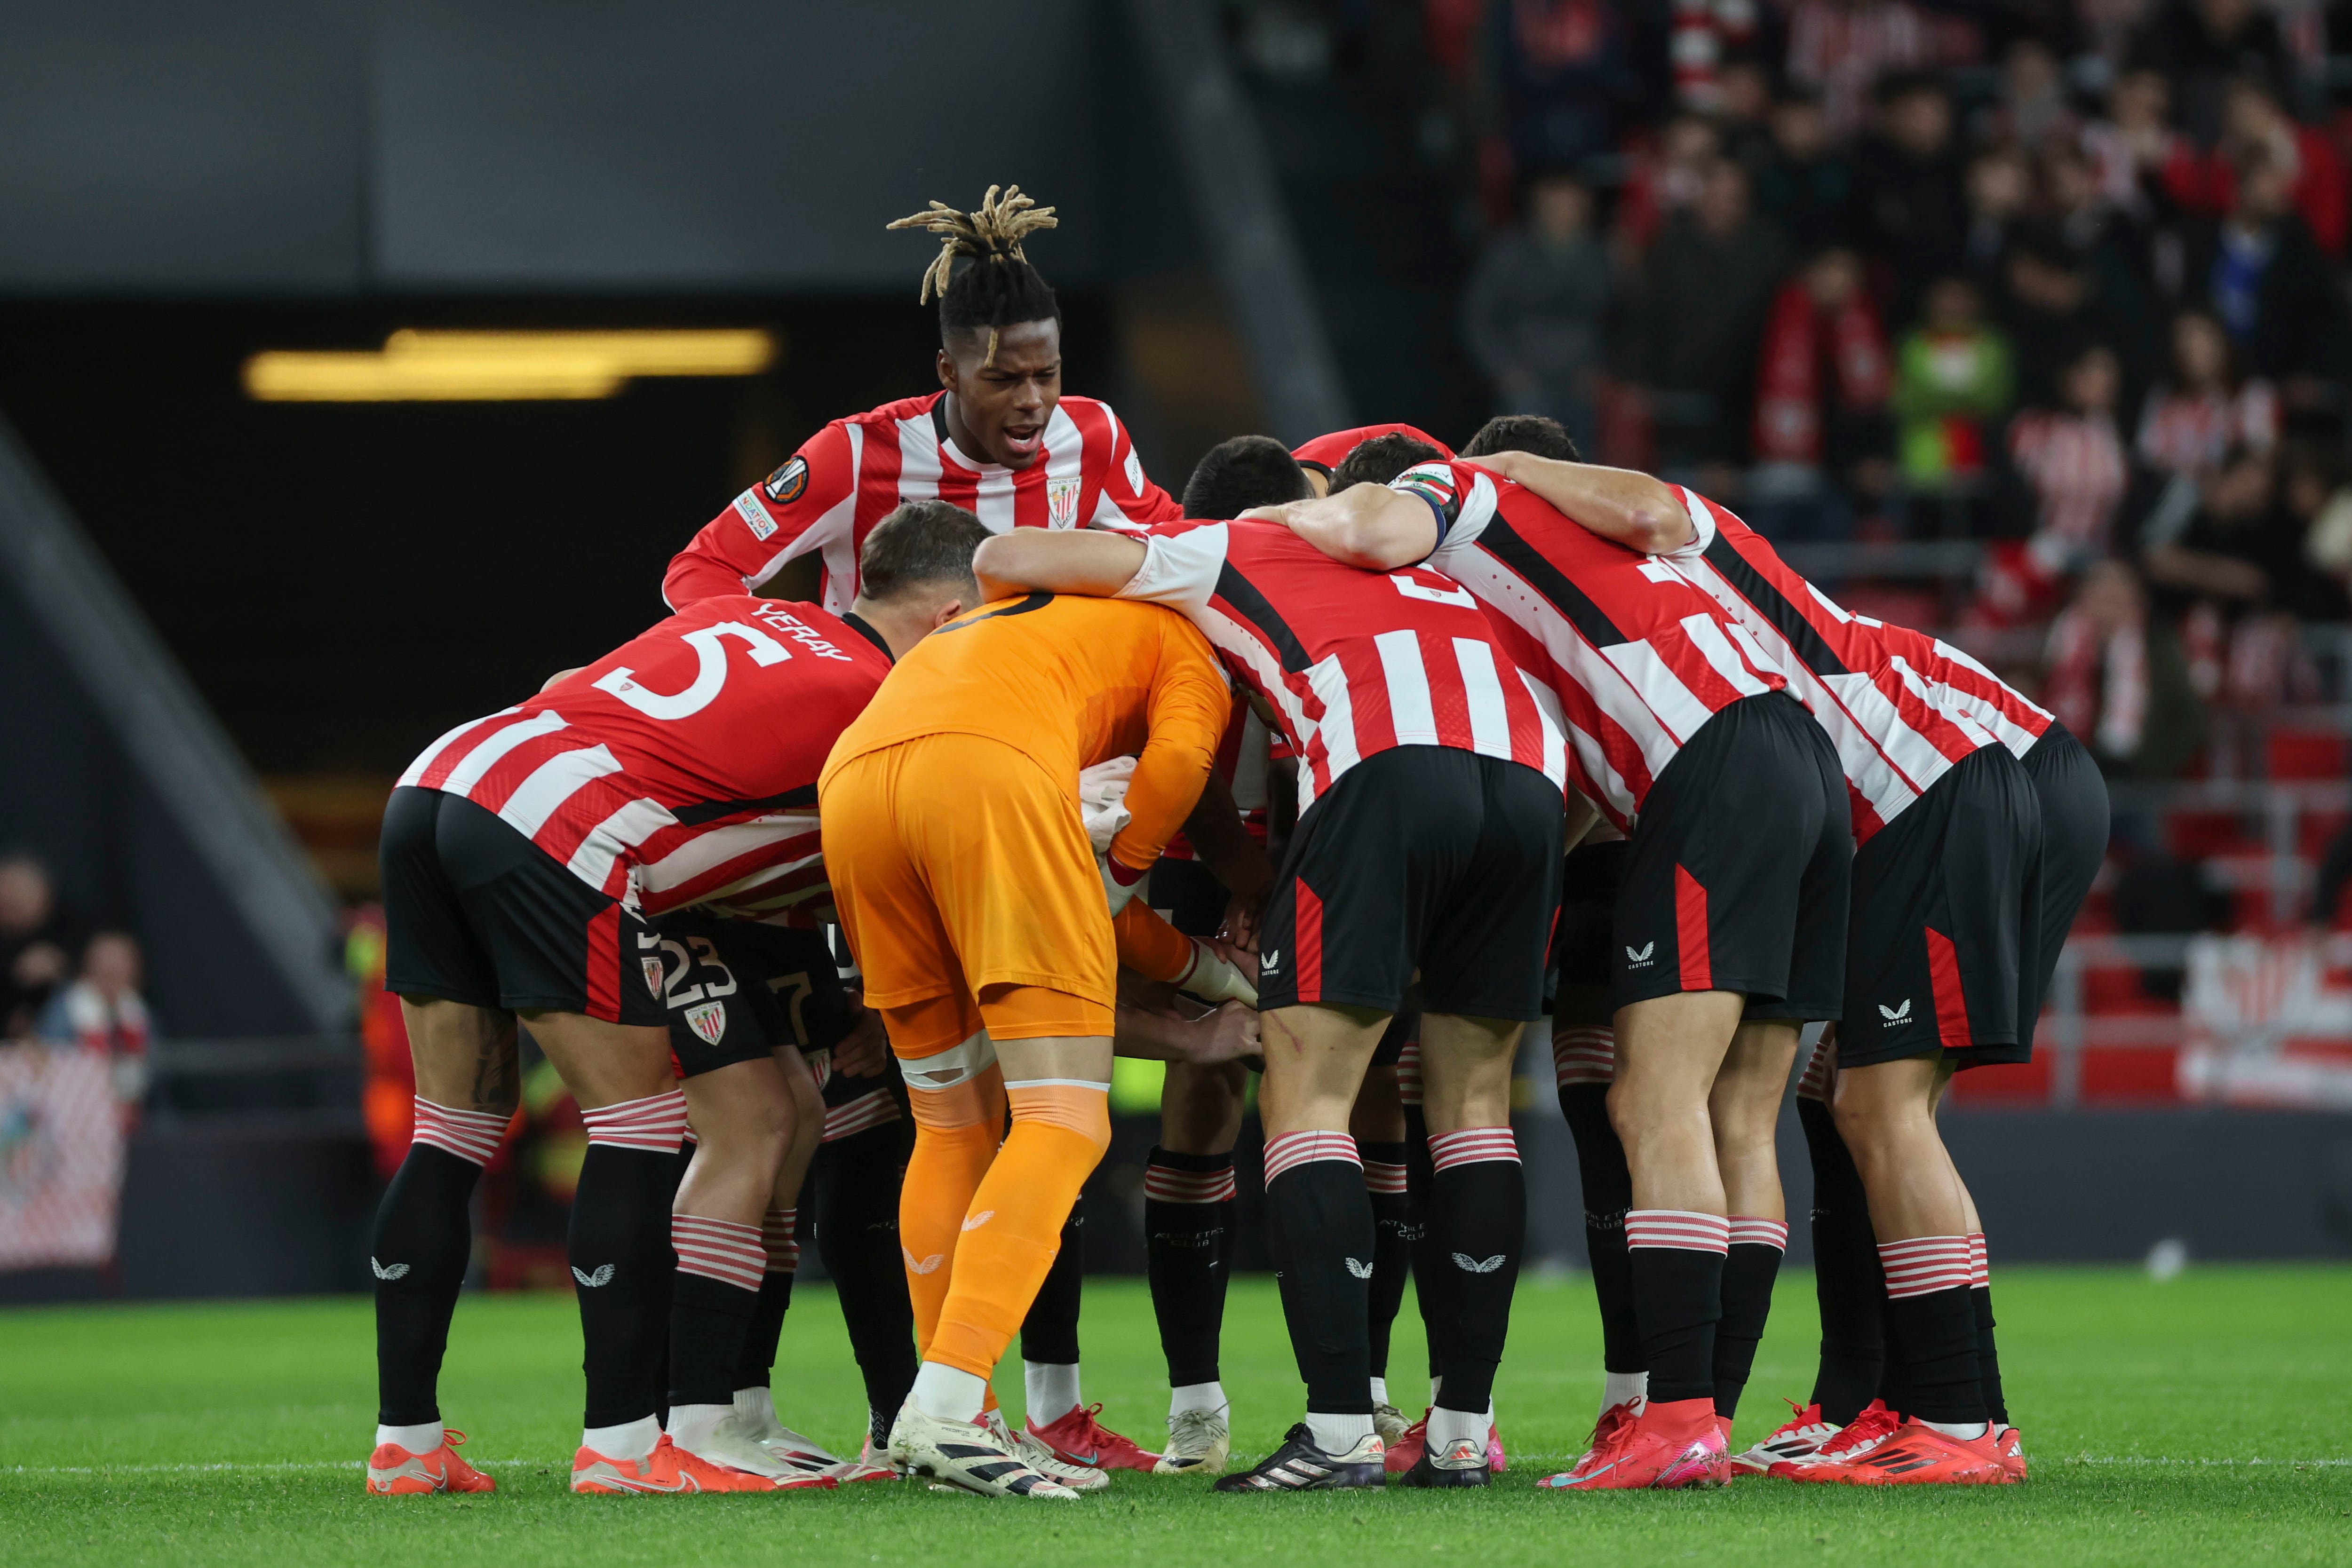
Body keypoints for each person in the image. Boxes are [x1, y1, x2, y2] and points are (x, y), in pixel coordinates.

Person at [973, 437, 1570, 1492]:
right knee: (1474, 1106)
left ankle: (1338, 1432)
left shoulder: (1228, 545)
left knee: (1308, 1099)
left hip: (1383, 772)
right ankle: (1461, 1434)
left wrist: (1160, 544)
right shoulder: (1422, 565)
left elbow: (1006, 555)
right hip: (1528, 782)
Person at [1271, 420, 1851, 1491]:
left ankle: (1668, 1416)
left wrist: (1248, 535)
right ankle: (1693, 1415)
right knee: (1734, 1116)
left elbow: (1366, 527)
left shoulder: (1464, 509)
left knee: (1649, 1104)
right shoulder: (1624, 559)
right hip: (1808, 768)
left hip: (1706, 773)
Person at [367, 501, 989, 1497]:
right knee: (640, 1125)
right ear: (952, 614)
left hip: (446, 772)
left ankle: (407, 1441)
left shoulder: (747, 612)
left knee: (453, 1129)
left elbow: (568, 689)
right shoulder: (886, 697)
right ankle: (626, 1447)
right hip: (564, 827)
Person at [1478, 453, 2038, 1486]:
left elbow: (1650, 508)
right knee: (1797, 1108)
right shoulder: (1676, 613)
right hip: (1870, 784)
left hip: (1904, 783)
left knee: (1757, 1104)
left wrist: (1507, 464)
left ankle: (1898, 1417)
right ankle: (1929, 1412)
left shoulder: (1630, 550)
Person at [818, 560, 1231, 1500]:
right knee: (1066, 1118)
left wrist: (1211, 970)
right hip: (980, 773)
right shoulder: (1188, 645)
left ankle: (943, 1407)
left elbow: (1068, 874)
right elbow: (1174, 770)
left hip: (853, 782)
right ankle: (951, 1403)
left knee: (951, 1122)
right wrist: (1124, 867)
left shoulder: (1026, 630)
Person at [1748, 618, 2109, 1485]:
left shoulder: (1711, 622)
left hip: (1996, 786)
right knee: (1834, 1092)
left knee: (1878, 1103)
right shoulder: (1742, 612)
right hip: (2000, 779)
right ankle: (1869, 1403)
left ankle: (1959, 1412)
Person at [661, 183, 1181, 615]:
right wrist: (782, 654)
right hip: (875, 728)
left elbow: (1179, 544)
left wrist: (1258, 523)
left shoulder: (1094, 435)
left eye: (1046, 375)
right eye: (1002, 379)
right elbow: (704, 568)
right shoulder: (854, 454)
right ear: (949, 372)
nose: (1032, 401)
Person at [1461, 170, 1611, 458]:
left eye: (1571, 204)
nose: (1563, 213)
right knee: (1524, 459)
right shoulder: (1509, 253)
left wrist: (1600, 366)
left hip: (1581, 381)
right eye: (1554, 205)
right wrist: (1505, 370)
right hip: (1526, 377)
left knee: (1584, 464)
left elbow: (1615, 318)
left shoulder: (1600, 254)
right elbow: (1478, 317)